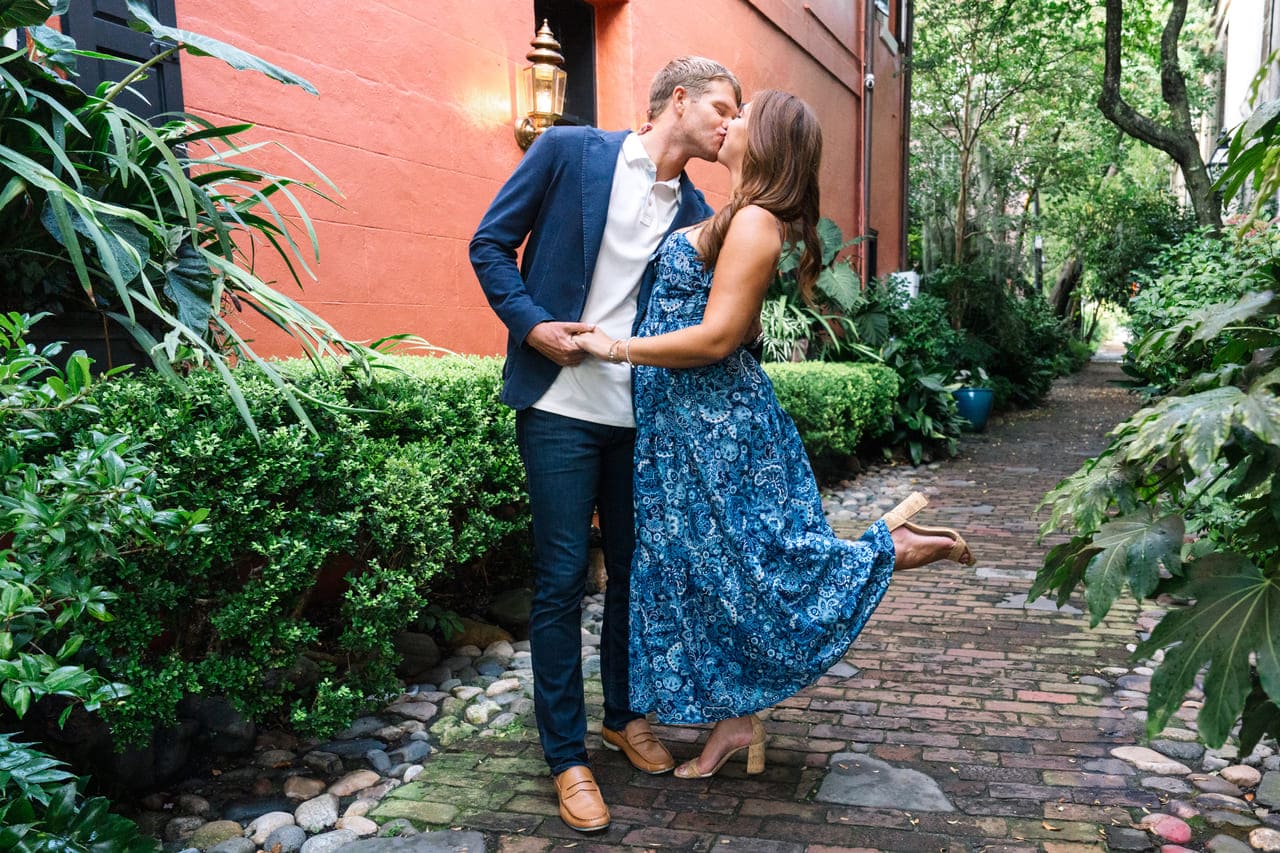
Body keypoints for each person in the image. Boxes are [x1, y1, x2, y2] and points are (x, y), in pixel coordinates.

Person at [571, 89, 974, 780]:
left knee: (755, 567)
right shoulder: (734, 214)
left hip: (717, 429)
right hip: (685, 428)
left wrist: (618, 349)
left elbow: (720, 336)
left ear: (768, 143)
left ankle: (886, 549)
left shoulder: (755, 219)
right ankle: (735, 722)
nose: (728, 122)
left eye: (743, 115)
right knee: (714, 572)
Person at [470, 57, 742, 832]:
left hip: (641, 419)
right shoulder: (568, 151)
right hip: (558, 404)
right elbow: (489, 245)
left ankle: (623, 718)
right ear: (678, 100)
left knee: (633, 573)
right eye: (723, 106)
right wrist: (531, 323)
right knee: (560, 580)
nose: (730, 122)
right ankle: (567, 755)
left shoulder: (695, 208)